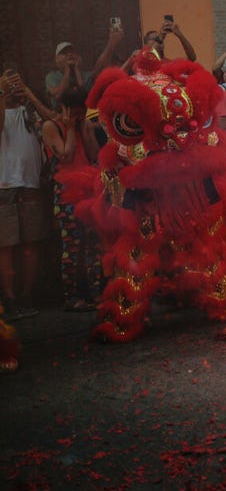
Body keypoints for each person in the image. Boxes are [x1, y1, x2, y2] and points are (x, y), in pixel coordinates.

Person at [0, 70, 56, 322]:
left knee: (31, 247)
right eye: (8, 84)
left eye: (15, 83)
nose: (13, 88)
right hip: (5, 186)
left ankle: (27, 295)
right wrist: (2, 95)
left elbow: (53, 120)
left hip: (32, 185)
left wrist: (29, 95)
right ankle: (10, 298)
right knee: (7, 247)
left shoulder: (28, 112)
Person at [41, 89, 103, 312]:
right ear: (64, 109)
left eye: (81, 113)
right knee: (72, 245)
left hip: (89, 190)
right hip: (66, 192)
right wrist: (68, 127)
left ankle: (96, 294)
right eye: (74, 113)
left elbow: (94, 154)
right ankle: (72, 296)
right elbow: (65, 154)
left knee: (93, 245)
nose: (78, 117)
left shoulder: (82, 124)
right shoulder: (51, 127)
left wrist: (83, 128)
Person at [45, 22, 124, 106]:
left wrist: (111, 43)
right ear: (56, 60)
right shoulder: (52, 76)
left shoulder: (85, 75)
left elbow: (99, 71)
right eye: (64, 53)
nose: (69, 54)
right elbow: (58, 94)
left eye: (72, 52)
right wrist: (67, 70)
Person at [123, 17, 197, 69]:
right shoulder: (140, 64)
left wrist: (179, 34)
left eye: (159, 38)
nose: (159, 40)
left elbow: (192, 58)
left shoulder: (170, 63)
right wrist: (129, 60)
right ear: (145, 45)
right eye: (154, 39)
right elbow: (118, 76)